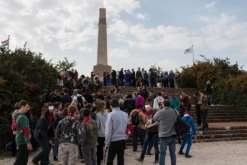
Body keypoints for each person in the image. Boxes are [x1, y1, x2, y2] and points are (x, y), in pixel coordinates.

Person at [153, 99, 177, 165]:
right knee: (172, 153)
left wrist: (159, 110)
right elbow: (176, 119)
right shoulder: (174, 111)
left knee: (162, 154)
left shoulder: (160, 111)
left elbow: (154, 118)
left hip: (163, 136)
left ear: (163, 104)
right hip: (172, 134)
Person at [105, 98, 128, 165]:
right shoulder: (125, 114)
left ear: (111, 106)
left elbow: (108, 130)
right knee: (120, 159)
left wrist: (106, 142)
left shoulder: (110, 115)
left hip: (114, 140)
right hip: (122, 139)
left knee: (109, 160)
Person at [14, 100, 33, 165]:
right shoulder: (23, 117)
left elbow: (14, 129)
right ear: (22, 106)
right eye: (27, 107)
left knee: (22, 160)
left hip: (19, 139)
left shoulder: (16, 115)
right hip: (23, 141)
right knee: (21, 160)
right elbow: (25, 130)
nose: (28, 109)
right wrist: (28, 142)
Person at [95, 100, 108, 165]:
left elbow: (98, 125)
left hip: (100, 134)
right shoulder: (108, 113)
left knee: (99, 150)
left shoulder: (97, 114)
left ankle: (99, 163)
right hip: (107, 134)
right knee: (106, 150)